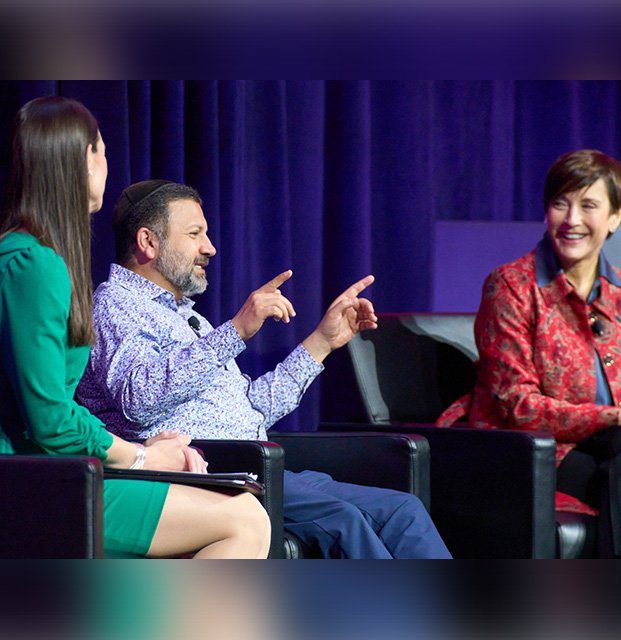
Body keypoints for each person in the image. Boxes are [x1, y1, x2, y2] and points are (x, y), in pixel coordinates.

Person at [77, 179, 452, 559]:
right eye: (195, 234)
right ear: (148, 242)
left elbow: (252, 408)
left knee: (403, 512)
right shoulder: (116, 307)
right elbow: (137, 400)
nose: (210, 248)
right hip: (211, 474)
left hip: (263, 466)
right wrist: (237, 330)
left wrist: (322, 341)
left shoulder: (187, 318)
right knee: (346, 521)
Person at [0, 96, 270, 559]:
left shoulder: (33, 258)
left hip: (55, 468)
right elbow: (49, 421)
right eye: (101, 150)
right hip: (31, 482)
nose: (107, 162)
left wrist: (136, 447)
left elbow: (54, 410)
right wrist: (142, 456)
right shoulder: (32, 264)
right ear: (82, 158)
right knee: (243, 519)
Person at [437, 149, 621, 558]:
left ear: (616, 217)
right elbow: (518, 406)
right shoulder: (512, 286)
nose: (572, 220)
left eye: (588, 206)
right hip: (537, 451)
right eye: (560, 204)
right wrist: (617, 416)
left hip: (619, 447)